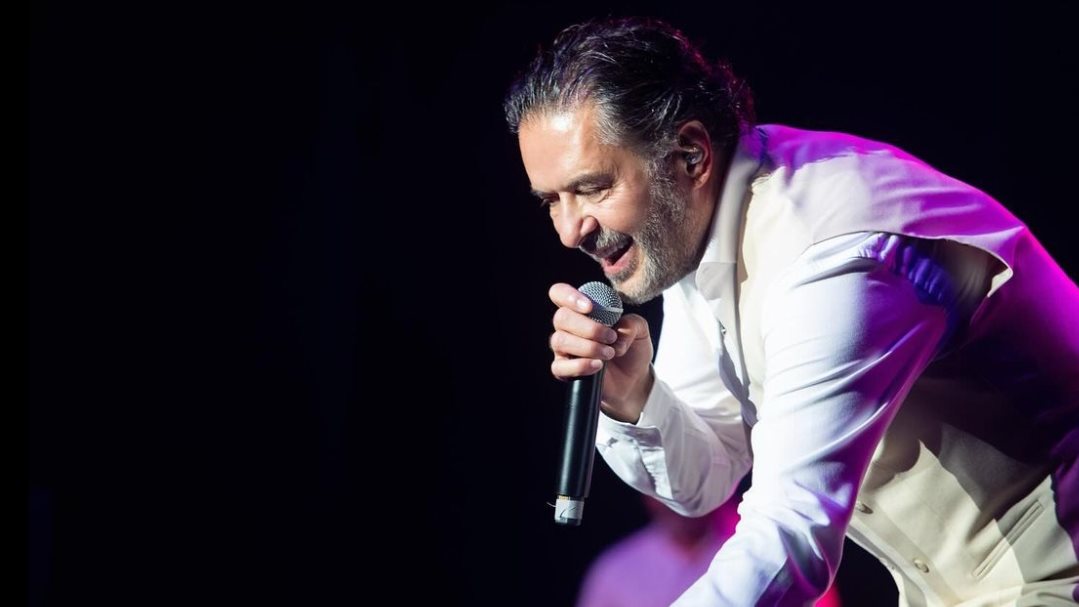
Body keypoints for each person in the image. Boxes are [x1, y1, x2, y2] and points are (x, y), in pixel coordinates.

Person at [503, 16, 1078, 606]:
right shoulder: (696, 227)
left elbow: (790, 533)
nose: (569, 230)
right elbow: (706, 477)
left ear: (690, 155)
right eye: (551, 201)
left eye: (592, 188)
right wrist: (635, 395)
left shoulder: (831, 253)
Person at [577, 492, 844, 607]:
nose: (681, 502)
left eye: (690, 490)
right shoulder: (615, 569)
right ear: (649, 497)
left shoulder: (759, 546)